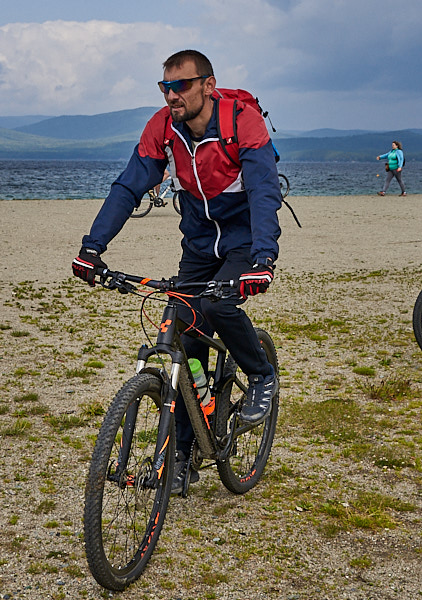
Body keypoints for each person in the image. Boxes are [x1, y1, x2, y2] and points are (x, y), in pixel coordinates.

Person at [72, 49, 282, 494]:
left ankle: (262, 375)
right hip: (200, 241)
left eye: (181, 85)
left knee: (219, 305)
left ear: (208, 85)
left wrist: (263, 259)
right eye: (164, 87)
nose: (171, 95)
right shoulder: (163, 128)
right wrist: (92, 248)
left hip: (244, 239)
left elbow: (264, 189)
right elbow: (129, 186)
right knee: (186, 338)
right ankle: (182, 459)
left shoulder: (241, 121)